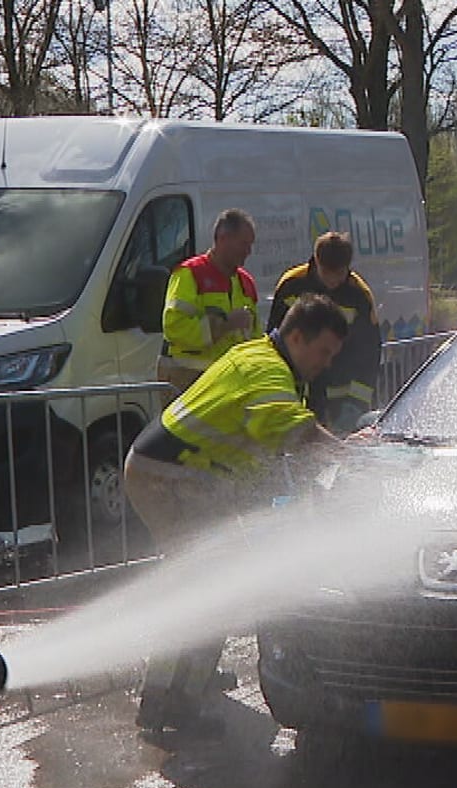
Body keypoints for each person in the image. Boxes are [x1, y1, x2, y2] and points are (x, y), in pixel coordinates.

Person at [124, 295, 350, 732]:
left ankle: (185, 690)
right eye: (323, 352)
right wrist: (345, 453)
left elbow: (264, 449)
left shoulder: (265, 358)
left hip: (187, 478)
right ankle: (167, 701)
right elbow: (284, 425)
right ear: (297, 336)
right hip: (170, 478)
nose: (326, 363)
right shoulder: (266, 369)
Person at [268, 231, 383, 434]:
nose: (332, 281)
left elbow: (369, 353)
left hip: (340, 399)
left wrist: (357, 404)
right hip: (296, 392)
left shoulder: (359, 295)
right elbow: (275, 339)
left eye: (339, 274)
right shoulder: (292, 284)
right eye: (327, 273)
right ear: (316, 260)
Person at [159, 209, 260, 393]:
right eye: (243, 244)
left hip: (229, 385)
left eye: (250, 245)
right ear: (223, 239)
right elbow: (174, 328)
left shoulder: (246, 283)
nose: (249, 251)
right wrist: (224, 325)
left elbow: (256, 338)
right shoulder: (189, 274)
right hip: (188, 382)